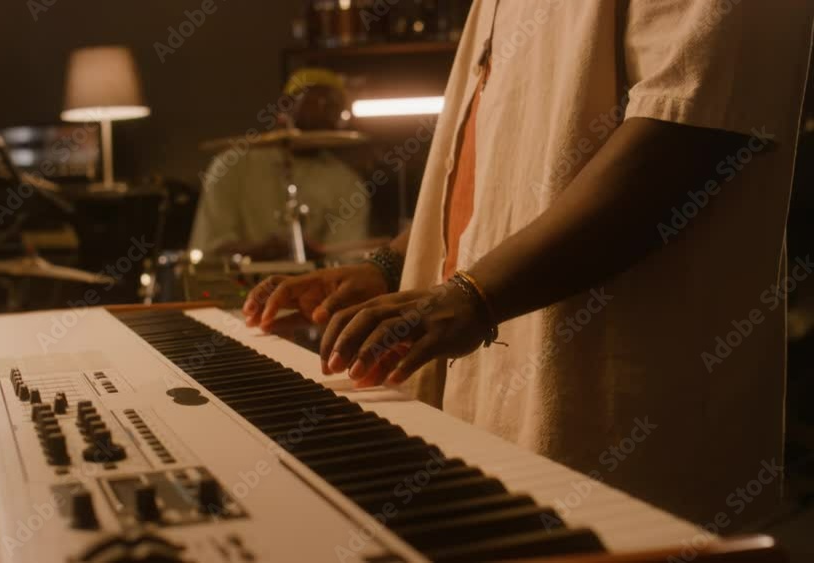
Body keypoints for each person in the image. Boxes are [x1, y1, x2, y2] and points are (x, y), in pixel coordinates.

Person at [243, 0, 813, 528]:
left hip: (629, 441)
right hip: (485, 421)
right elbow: (498, 163)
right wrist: (390, 266)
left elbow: (689, 130)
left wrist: (475, 294)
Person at [189, 68, 369, 261]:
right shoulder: (230, 166)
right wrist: (269, 250)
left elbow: (344, 260)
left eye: (333, 106)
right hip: (236, 287)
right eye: (316, 102)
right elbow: (210, 250)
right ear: (285, 106)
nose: (323, 112)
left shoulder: (348, 183)